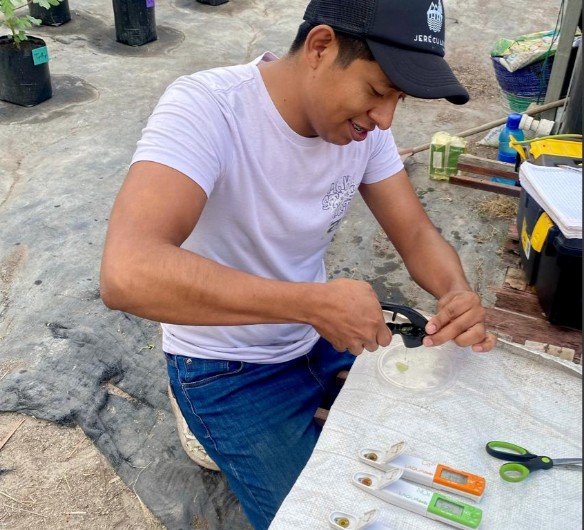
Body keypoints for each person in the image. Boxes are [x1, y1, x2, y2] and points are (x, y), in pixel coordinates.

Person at [100, 0, 496, 528]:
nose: (385, 118)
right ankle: (199, 414)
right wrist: (311, 304)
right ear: (321, 47)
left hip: (318, 338)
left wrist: (455, 292)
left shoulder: (365, 131)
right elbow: (127, 271)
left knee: (442, 445)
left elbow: (417, 233)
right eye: (378, 91)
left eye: (398, 99)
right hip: (225, 366)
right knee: (321, 517)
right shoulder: (208, 109)